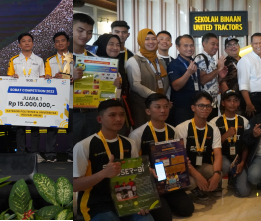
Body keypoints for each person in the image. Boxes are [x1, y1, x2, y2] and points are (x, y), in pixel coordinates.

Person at [73, 100, 152, 221]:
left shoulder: (130, 143)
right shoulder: (84, 146)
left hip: (127, 199)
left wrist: (141, 201)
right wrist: (104, 173)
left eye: (121, 114)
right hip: (97, 203)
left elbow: (136, 176)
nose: (118, 119)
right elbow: (75, 185)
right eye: (112, 115)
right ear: (100, 119)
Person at [128, 93, 194, 221]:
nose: (163, 110)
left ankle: (167, 199)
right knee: (165, 218)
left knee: (187, 210)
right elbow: (134, 164)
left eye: (166, 106)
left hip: (169, 179)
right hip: (149, 182)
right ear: (148, 111)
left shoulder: (172, 130)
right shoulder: (137, 134)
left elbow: (176, 155)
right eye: (157, 107)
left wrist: (182, 161)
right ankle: (161, 201)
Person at [175, 92, 223, 200]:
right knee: (191, 182)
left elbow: (218, 154)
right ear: (193, 108)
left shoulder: (213, 129)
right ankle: (195, 188)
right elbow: (180, 159)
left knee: (215, 172)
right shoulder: (181, 128)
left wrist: (216, 175)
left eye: (208, 106)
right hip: (185, 168)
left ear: (211, 108)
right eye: (201, 105)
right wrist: (198, 177)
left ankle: (212, 185)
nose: (205, 109)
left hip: (202, 166)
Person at [7, 33, 48, 159]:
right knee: (20, 128)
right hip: (19, 99)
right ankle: (21, 153)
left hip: (35, 98)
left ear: (33, 43)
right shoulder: (13, 60)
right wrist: (12, 78)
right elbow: (8, 78)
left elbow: (42, 77)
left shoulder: (39, 60)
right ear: (19, 45)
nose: (27, 43)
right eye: (24, 41)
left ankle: (35, 153)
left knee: (35, 127)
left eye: (29, 41)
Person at [37, 31, 71, 162]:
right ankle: (50, 154)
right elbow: (46, 78)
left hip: (71, 97)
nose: (60, 43)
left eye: (62, 40)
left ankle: (71, 154)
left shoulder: (75, 59)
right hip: (54, 98)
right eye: (57, 41)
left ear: (68, 43)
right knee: (52, 127)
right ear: (54, 45)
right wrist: (50, 78)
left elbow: (78, 78)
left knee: (70, 128)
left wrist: (66, 77)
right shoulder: (49, 61)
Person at [208, 90, 250, 194]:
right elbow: (210, 146)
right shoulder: (214, 121)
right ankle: (217, 182)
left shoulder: (244, 121)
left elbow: (246, 145)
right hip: (223, 158)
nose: (232, 103)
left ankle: (233, 179)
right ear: (223, 103)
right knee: (225, 165)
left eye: (235, 100)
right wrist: (226, 135)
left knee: (244, 192)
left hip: (238, 158)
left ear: (239, 103)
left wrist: (242, 162)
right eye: (229, 100)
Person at [127, 29, 169, 128]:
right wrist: (157, 98)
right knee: (144, 134)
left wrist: (166, 100)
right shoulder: (133, 60)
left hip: (161, 106)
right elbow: (135, 85)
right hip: (142, 106)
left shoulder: (160, 60)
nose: (151, 42)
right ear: (141, 41)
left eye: (153, 39)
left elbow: (167, 82)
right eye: (146, 39)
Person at [72, 13, 101, 147]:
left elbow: (101, 86)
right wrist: (68, 78)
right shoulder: (56, 58)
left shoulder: (95, 59)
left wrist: (114, 85)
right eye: (80, 30)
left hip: (92, 113)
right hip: (70, 114)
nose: (85, 36)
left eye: (89, 32)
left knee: (90, 152)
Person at [167, 35, 202, 126]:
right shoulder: (174, 64)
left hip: (195, 105)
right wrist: (188, 72)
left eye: (191, 45)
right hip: (181, 108)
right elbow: (176, 86)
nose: (189, 48)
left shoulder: (193, 62)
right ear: (177, 47)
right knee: (182, 135)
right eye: (185, 46)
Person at [237, 33, 261, 118]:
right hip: (253, 98)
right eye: (256, 43)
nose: (259, 45)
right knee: (255, 126)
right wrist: (248, 103)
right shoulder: (245, 60)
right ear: (251, 45)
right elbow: (243, 84)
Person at [195, 33, 226, 118]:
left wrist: (220, 77)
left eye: (217, 45)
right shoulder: (201, 58)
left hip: (213, 102)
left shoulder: (211, 59)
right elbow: (202, 80)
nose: (216, 47)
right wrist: (218, 69)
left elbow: (212, 83)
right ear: (204, 44)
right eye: (213, 44)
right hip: (204, 104)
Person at [112, 21, 136, 127]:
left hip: (127, 98)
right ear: (111, 33)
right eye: (117, 32)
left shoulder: (131, 55)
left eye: (124, 32)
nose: (120, 35)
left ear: (128, 35)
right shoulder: (104, 53)